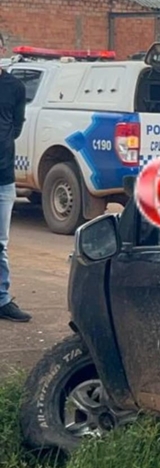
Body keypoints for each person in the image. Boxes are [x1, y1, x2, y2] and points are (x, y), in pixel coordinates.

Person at [0, 48, 30, 322]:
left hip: (3, 178)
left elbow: (16, 127)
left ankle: (2, 300)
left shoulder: (15, 87)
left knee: (0, 244)